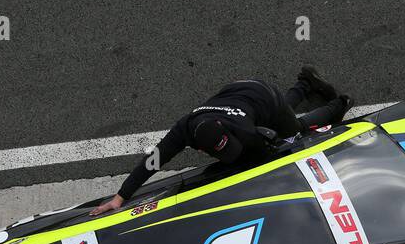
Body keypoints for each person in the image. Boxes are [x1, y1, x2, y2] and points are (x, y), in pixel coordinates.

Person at [88, 67, 351, 215]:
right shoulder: (183, 130)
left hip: (262, 96)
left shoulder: (246, 133)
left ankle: (341, 103)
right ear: (200, 147)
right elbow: (153, 160)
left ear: (224, 128)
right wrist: (121, 197)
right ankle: (305, 82)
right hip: (239, 93)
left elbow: (269, 158)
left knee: (295, 131)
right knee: (277, 117)